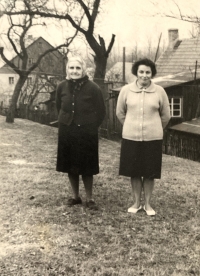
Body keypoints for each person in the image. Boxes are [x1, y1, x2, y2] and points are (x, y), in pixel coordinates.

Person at [116, 58, 170, 216]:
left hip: (152, 139)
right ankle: (136, 202)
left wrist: (155, 128)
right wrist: (130, 126)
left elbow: (166, 116)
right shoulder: (126, 90)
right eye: (141, 72)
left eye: (148, 72)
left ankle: (147, 204)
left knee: (149, 172)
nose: (144, 75)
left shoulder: (160, 91)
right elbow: (120, 112)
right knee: (134, 171)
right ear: (136, 73)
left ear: (152, 73)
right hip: (130, 138)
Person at [56, 56, 105, 210]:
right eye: (71, 68)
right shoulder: (61, 86)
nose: (74, 71)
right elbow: (59, 107)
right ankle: (75, 197)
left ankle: (90, 198)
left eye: (78, 68)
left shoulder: (93, 88)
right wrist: (67, 121)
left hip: (86, 132)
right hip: (67, 131)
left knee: (87, 165)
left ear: (83, 70)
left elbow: (101, 112)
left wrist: (90, 126)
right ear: (67, 70)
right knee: (70, 164)